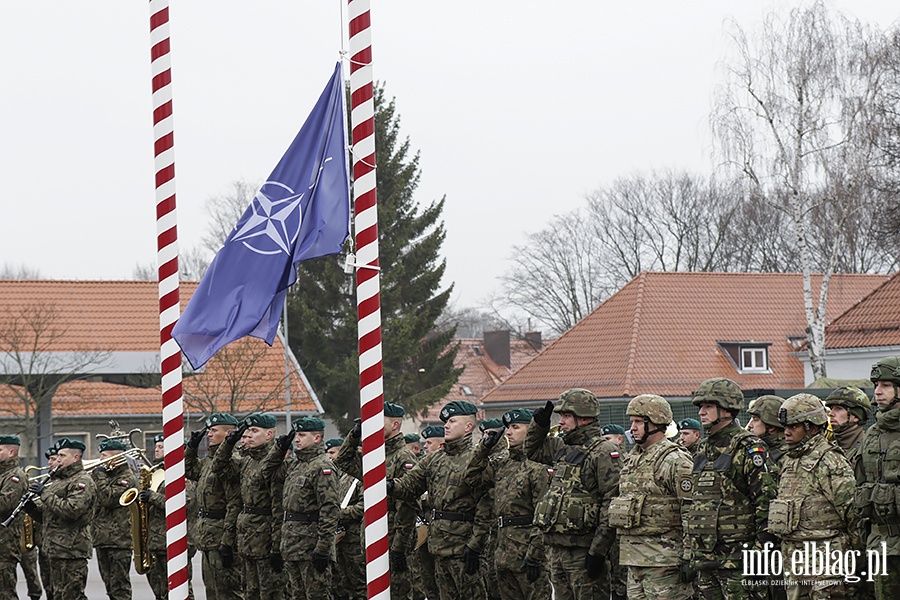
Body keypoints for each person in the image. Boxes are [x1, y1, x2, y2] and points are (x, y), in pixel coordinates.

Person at [525, 388, 622, 600]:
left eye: (567, 416)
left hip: (584, 551)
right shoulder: (562, 447)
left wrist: (597, 552)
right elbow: (531, 450)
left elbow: (611, 503)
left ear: (584, 418)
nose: (561, 422)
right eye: (561, 416)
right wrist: (539, 426)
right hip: (557, 549)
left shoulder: (603, 451)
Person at [388, 400, 490, 600]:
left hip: (464, 547)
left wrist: (476, 545)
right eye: (446, 421)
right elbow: (410, 485)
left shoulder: (477, 459)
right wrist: (391, 486)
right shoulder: (435, 459)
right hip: (438, 546)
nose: (446, 425)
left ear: (468, 426)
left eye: (452, 421)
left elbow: (485, 507)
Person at [687, 377, 777, 600]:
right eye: (700, 407)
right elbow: (693, 505)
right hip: (706, 560)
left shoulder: (748, 447)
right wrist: (690, 553)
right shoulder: (701, 450)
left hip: (739, 561)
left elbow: (766, 504)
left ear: (727, 410)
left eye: (708, 406)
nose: (701, 412)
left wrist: (760, 557)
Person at [768, 393, 857, 599]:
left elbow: (851, 512)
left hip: (826, 562)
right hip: (794, 561)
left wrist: (854, 556)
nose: (787, 433)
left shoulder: (830, 461)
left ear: (813, 427)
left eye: (794, 427)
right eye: (785, 427)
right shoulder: (789, 461)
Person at [610, 395, 693, 600]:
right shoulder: (633, 459)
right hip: (634, 560)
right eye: (632, 422)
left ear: (656, 422)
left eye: (639, 422)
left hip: (664, 562)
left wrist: (690, 556)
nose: (633, 427)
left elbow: (691, 511)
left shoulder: (675, 460)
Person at [465, 408, 551, 600]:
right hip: (503, 553)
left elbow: (543, 515)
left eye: (515, 427)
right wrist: (484, 448)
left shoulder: (538, 465)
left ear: (531, 431)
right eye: (507, 428)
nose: (509, 432)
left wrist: (535, 554)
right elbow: (472, 478)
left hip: (527, 553)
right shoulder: (502, 463)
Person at [338, 402, 419, 600]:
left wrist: (400, 547)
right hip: (372, 534)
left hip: (392, 538)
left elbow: (409, 505)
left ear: (395, 425)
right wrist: (354, 435)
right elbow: (343, 461)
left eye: (378, 421)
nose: (372, 426)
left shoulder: (403, 457)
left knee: (396, 594)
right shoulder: (373, 456)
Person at [264, 416, 340, 600]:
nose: (296, 439)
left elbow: (329, 510)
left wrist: (323, 548)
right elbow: (267, 471)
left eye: (302, 435)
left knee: (317, 595)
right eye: (296, 435)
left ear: (317, 438)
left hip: (311, 546)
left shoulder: (323, 467)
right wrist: (279, 448)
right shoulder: (296, 464)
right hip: (291, 545)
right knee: (296, 595)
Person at [213, 413, 285, 600]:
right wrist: (228, 444)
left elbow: (278, 509)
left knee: (270, 593)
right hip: (247, 540)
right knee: (250, 592)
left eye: (254, 431)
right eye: (247, 431)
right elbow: (219, 468)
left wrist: (276, 547)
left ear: (269, 435)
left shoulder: (275, 463)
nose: (249, 435)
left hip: (266, 539)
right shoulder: (247, 460)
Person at [27, 437, 96, 600]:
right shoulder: (59, 480)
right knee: (58, 594)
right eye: (57, 456)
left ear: (76, 457)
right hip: (55, 548)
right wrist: (30, 508)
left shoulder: (82, 481)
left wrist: (44, 493)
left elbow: (71, 511)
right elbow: (48, 515)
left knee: (73, 595)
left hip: (72, 550)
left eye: (62, 456)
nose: (58, 459)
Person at [854, 356, 900, 599]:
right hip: (880, 546)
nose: (878, 392)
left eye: (886, 385)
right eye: (876, 385)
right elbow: (861, 484)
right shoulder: (873, 434)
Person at [184, 412, 243, 600]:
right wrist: (191, 448)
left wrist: (227, 541)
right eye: (209, 430)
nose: (209, 434)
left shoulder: (232, 461)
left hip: (222, 534)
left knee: (228, 591)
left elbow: (234, 503)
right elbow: (188, 469)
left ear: (228, 434)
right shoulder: (209, 460)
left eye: (214, 430)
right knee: (212, 590)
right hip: (208, 536)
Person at [91, 438, 138, 600]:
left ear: (117, 458)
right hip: (102, 538)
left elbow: (108, 499)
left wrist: (99, 477)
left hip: (119, 540)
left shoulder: (127, 478)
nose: (101, 460)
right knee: (109, 586)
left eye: (104, 456)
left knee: (120, 587)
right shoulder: (106, 476)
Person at [410, 425, 445, 600]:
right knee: (426, 580)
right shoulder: (423, 467)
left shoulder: (446, 466)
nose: (425, 446)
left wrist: (423, 500)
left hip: (444, 534)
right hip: (424, 530)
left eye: (429, 443)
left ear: (441, 445)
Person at [0, 434, 28, 600]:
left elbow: (4, 504)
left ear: (11, 452)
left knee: (5, 593)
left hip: (5, 544)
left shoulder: (14, 477)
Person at [824, 386, 871, 469]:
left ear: (856, 416)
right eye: (831, 409)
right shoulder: (827, 448)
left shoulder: (869, 449)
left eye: (838, 409)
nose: (831, 413)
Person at [746, 395, 789, 465]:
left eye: (755, 419)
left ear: (771, 428)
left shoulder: (786, 457)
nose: (750, 425)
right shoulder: (759, 448)